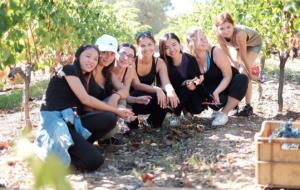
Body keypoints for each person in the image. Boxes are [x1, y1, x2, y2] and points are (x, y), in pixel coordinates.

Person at [35, 45, 133, 172]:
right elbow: (85, 99)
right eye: (88, 56)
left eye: (95, 59)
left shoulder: (83, 76)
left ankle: (80, 148)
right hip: (55, 122)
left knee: (108, 119)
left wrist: (118, 103)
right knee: (95, 161)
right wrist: (116, 110)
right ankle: (58, 160)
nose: (91, 61)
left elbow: (121, 92)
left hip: (69, 120)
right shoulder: (69, 69)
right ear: (78, 56)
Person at [186, 27, 249, 126]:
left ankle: (224, 113)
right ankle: (215, 110)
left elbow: (227, 75)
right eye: (201, 39)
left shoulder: (215, 52)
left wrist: (216, 92)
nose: (205, 40)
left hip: (229, 84)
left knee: (243, 78)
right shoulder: (191, 59)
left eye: (205, 37)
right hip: (213, 87)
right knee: (210, 99)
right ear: (192, 43)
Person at [126, 32, 180, 129]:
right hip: (131, 99)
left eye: (150, 44)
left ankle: (152, 122)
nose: (147, 48)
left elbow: (166, 82)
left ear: (154, 45)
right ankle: (130, 122)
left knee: (165, 94)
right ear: (137, 47)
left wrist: (171, 91)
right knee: (132, 128)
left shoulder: (159, 62)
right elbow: (136, 85)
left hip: (147, 96)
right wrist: (157, 89)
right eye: (143, 45)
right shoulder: (133, 62)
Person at [214, 12, 262, 116]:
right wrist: (233, 61)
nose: (225, 31)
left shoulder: (240, 34)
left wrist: (251, 75)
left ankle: (248, 106)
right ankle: (234, 104)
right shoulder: (218, 34)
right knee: (234, 70)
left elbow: (244, 57)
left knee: (244, 72)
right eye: (222, 28)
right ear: (217, 28)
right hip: (237, 45)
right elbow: (224, 49)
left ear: (233, 25)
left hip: (253, 44)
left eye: (228, 27)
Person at [159, 32, 205, 120]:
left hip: (190, 91)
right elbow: (160, 83)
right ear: (162, 50)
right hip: (173, 95)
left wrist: (194, 84)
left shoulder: (190, 59)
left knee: (197, 107)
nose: (171, 49)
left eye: (174, 44)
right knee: (183, 88)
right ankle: (176, 114)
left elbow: (199, 78)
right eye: (166, 48)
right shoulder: (162, 62)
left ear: (179, 44)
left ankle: (187, 109)